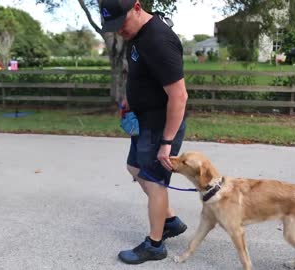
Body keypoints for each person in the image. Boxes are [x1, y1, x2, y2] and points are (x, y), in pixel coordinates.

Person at [100, 0, 189, 265]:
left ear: (137, 7)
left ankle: (155, 244)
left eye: (121, 23)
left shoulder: (159, 39)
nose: (119, 31)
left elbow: (179, 96)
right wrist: (129, 100)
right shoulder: (137, 34)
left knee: (154, 180)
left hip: (160, 124)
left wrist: (167, 142)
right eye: (113, 26)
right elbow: (140, 73)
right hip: (143, 118)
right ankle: (170, 220)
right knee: (134, 167)